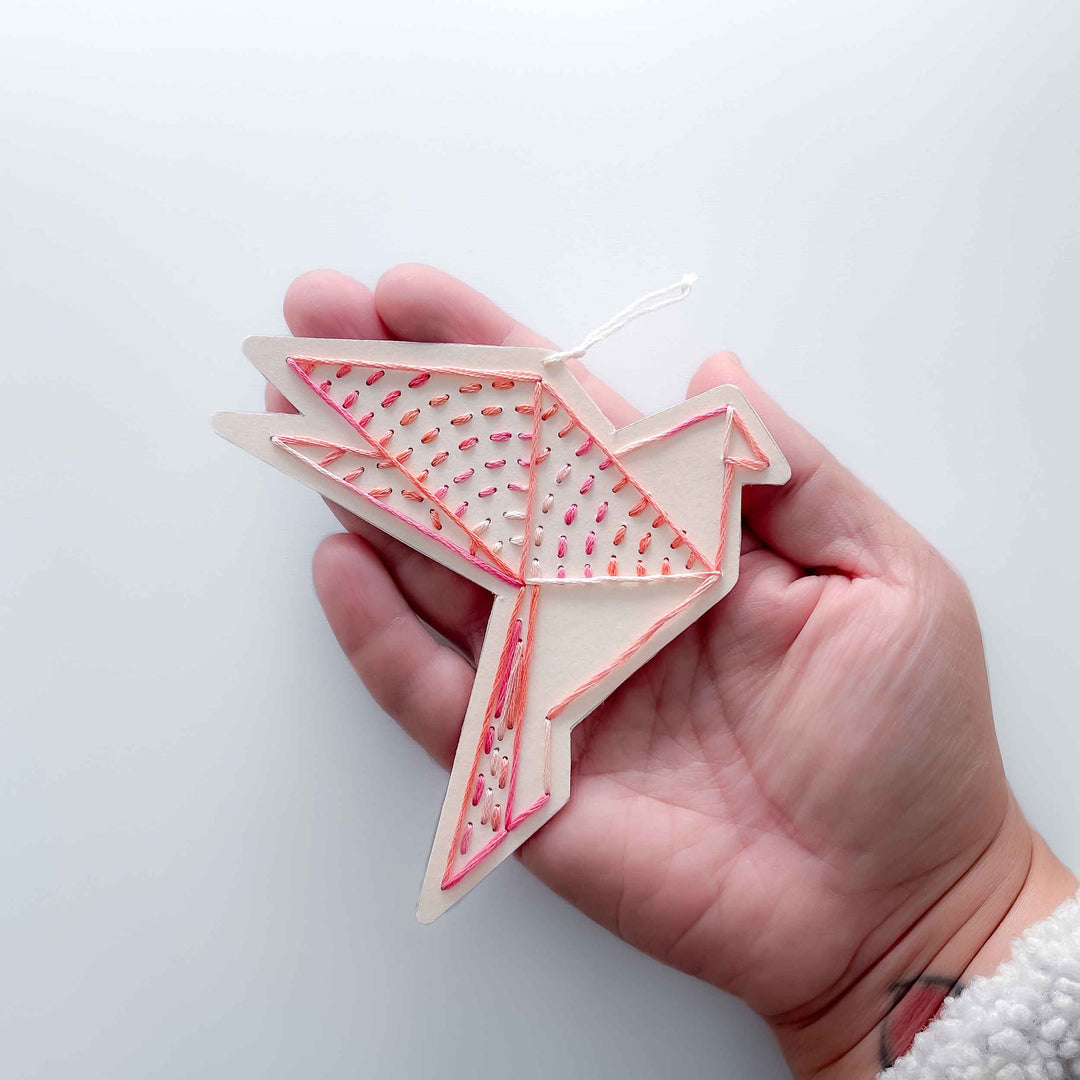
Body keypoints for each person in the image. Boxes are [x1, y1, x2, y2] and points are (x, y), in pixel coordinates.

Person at [266, 264, 1079, 1079]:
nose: (746, 471)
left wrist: (928, 923)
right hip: (555, 621)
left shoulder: (662, 522)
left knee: (519, 748)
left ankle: (506, 779)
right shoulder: (645, 512)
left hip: (565, 621)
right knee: (518, 741)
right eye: (728, 456)